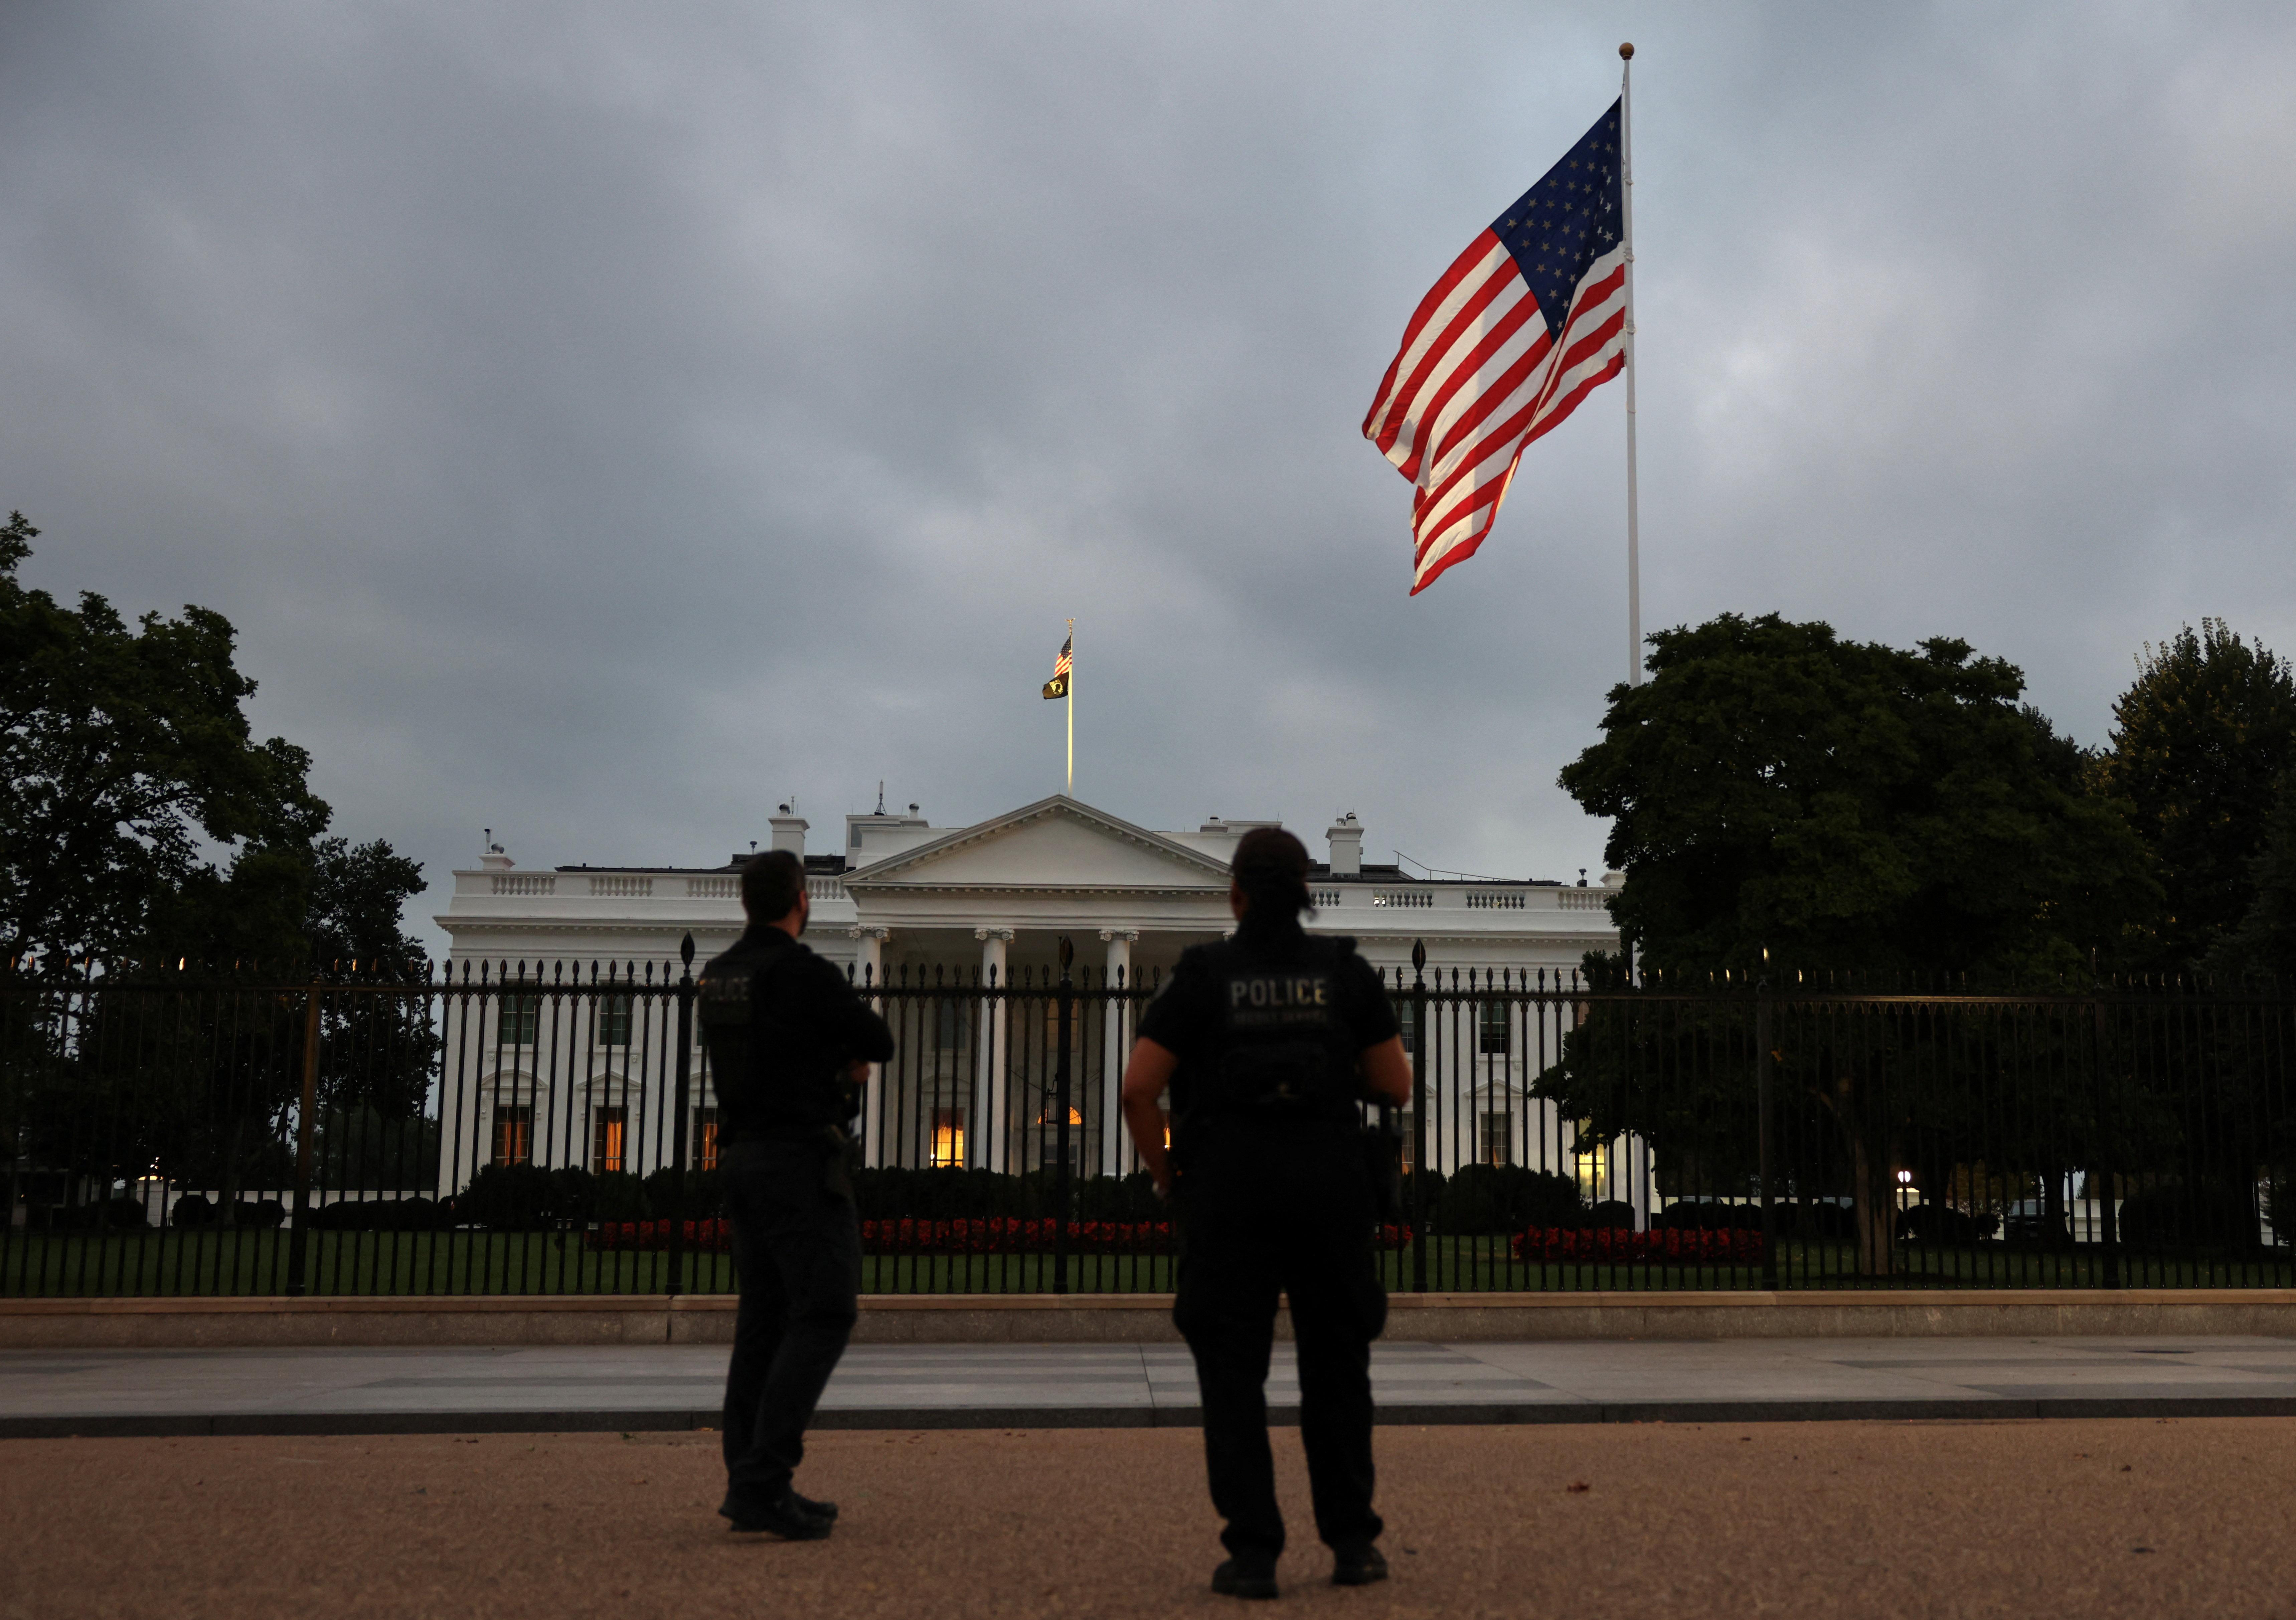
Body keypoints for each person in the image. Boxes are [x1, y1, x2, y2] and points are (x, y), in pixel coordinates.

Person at [1120, 827, 1414, 1600]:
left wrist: (1166, 1174)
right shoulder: (1341, 972)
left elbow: (1137, 1086)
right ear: (1306, 888)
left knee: (1231, 1373)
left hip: (1230, 1188)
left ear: (1235, 892)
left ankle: (1253, 1552)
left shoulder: (1204, 974)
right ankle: (1352, 1542)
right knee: (1337, 1368)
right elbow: (1396, 1083)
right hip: (1326, 1185)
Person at [699, 848, 894, 1540]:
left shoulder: (717, 976)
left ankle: (750, 1479)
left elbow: (764, 1054)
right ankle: (762, 1475)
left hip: (740, 1159)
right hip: (799, 1162)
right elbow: (877, 1038)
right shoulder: (803, 971)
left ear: (745, 902)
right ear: (801, 900)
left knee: (762, 1320)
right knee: (825, 1311)